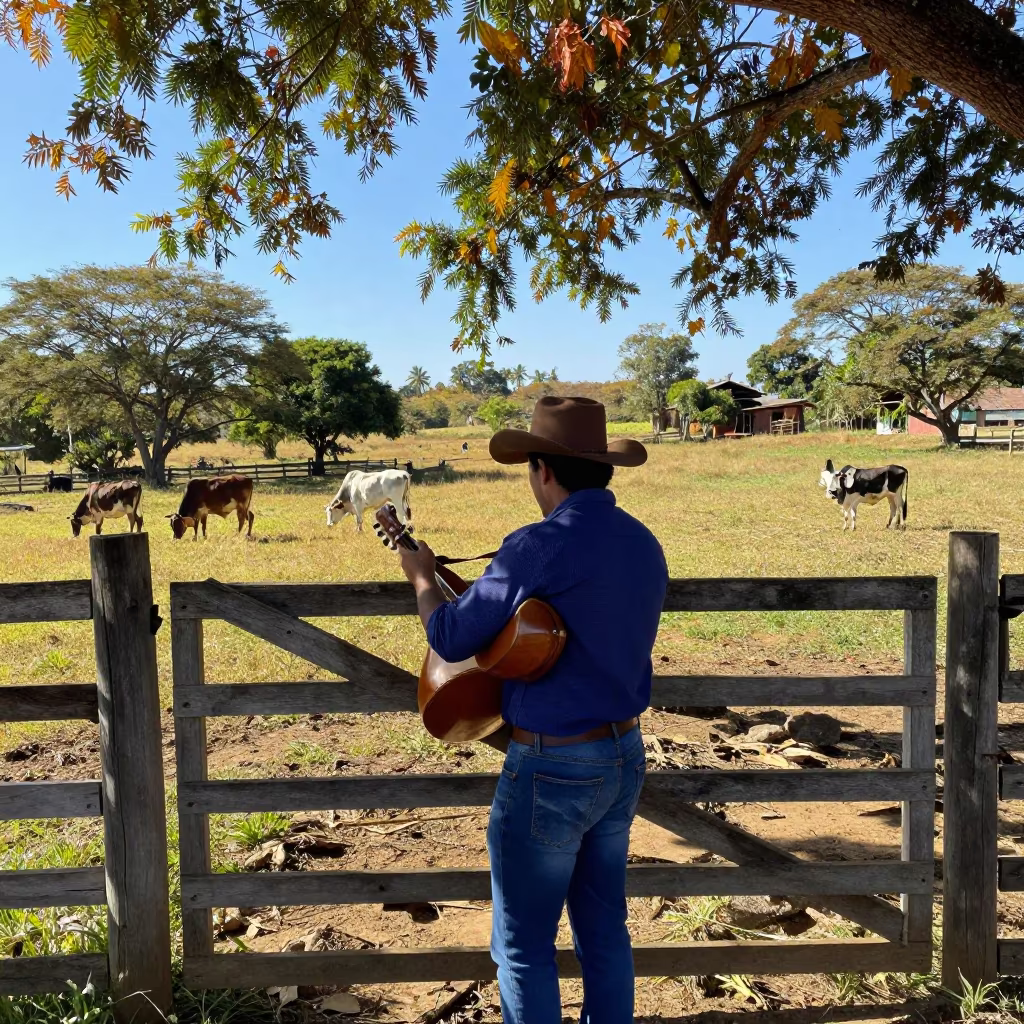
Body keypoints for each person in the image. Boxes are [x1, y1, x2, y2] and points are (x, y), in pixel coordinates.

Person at [394, 396, 668, 1024]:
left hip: (553, 765)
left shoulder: (538, 546)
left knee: (522, 948)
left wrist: (420, 577)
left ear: (543, 469)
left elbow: (453, 638)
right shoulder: (642, 542)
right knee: (604, 931)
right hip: (624, 753)